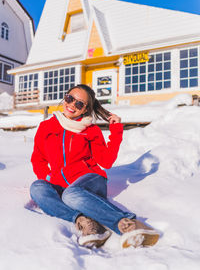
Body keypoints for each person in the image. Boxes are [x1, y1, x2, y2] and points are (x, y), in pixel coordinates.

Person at [30, 84, 159, 248]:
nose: (71, 105)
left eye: (79, 104)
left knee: (70, 195)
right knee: (37, 188)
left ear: (85, 109)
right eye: (69, 98)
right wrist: (47, 178)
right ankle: (87, 222)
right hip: (60, 184)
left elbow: (106, 161)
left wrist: (116, 130)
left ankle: (127, 223)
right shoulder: (46, 127)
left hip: (90, 180)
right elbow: (38, 158)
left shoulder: (90, 130)